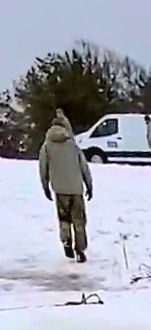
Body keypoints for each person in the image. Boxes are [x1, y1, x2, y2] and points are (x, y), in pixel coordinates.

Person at [38, 111, 93, 263]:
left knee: (64, 219)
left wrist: (46, 187)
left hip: (60, 190)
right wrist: (89, 185)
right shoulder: (73, 145)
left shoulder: (46, 146)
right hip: (76, 189)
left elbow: (43, 168)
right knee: (79, 221)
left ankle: (66, 241)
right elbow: (84, 167)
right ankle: (80, 250)